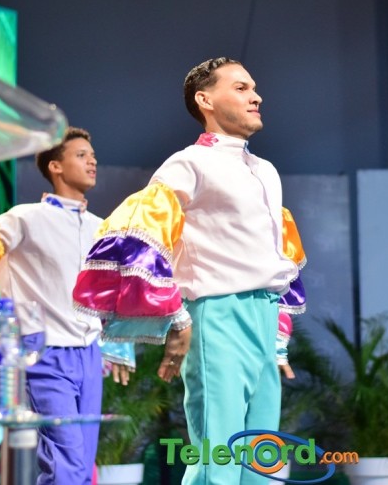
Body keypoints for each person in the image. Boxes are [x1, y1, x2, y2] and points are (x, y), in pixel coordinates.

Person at [72, 58, 307, 484]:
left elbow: (277, 255)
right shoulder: (189, 163)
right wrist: (177, 317)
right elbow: (144, 232)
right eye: (240, 88)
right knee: (219, 457)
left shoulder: (266, 171)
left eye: (254, 88)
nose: (256, 96)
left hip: (264, 313)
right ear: (205, 100)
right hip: (216, 316)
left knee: (262, 460)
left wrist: (277, 333)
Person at [0, 127, 133, 485]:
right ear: (55, 166)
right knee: (66, 463)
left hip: (89, 355)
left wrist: (118, 344)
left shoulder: (101, 228)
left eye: (92, 156)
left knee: (82, 465)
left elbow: (108, 292)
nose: (92, 161)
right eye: (81, 155)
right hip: (43, 352)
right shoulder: (24, 218)